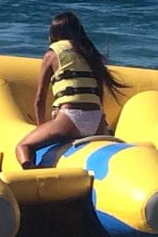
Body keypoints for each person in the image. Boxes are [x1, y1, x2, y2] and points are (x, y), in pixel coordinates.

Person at [15, 11, 125, 169]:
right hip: (96, 118)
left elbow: (40, 100)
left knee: (23, 147)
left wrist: (41, 127)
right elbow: (97, 93)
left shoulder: (52, 55)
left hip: (70, 118)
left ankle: (32, 174)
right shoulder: (89, 52)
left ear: (53, 34)